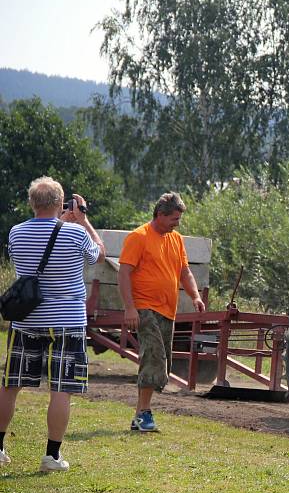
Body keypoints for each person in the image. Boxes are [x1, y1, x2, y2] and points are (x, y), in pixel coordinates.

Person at [0, 176, 105, 472]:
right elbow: (99, 254)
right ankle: (52, 455)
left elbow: (35, 250)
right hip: (66, 321)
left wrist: (61, 219)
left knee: (10, 386)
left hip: (27, 319)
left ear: (32, 202)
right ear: (61, 203)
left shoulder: (17, 232)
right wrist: (83, 221)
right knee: (61, 389)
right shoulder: (75, 233)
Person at [118, 192, 205, 432]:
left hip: (168, 310)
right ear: (160, 214)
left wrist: (195, 296)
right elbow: (123, 273)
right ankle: (145, 414)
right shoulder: (139, 237)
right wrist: (129, 308)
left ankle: (139, 416)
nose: (177, 223)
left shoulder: (176, 239)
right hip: (144, 308)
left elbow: (184, 272)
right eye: (174, 219)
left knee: (157, 362)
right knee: (155, 358)